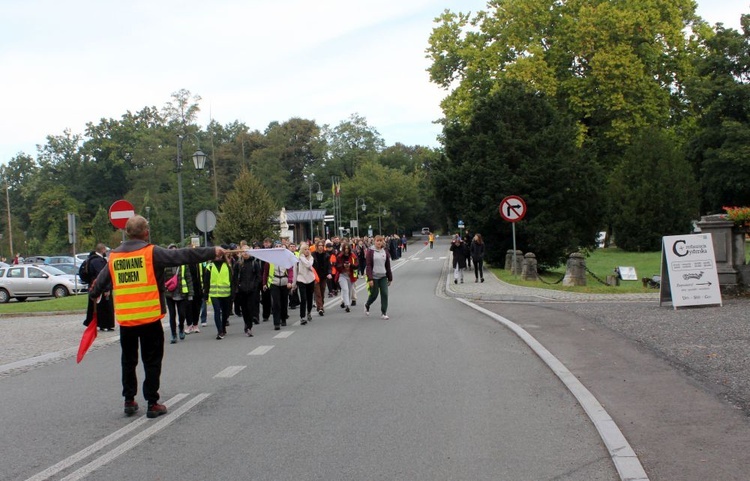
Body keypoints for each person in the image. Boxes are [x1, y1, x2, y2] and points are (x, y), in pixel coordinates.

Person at [88, 215, 225, 418]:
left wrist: (94, 296)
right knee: (151, 361)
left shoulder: (114, 257)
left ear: (127, 233)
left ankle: (129, 400)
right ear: (146, 232)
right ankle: (152, 403)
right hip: (150, 318)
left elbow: (98, 286)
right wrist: (213, 251)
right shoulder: (151, 253)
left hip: (127, 320)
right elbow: (183, 255)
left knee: (128, 360)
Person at [163, 244, 193, 344]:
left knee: (181, 314)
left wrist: (190, 293)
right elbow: (162, 279)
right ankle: (173, 334)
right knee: (172, 315)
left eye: (175, 251)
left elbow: (188, 278)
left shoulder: (183, 264)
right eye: (171, 251)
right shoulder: (165, 264)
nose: (173, 253)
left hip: (181, 293)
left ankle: (181, 328)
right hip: (169, 294)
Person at [83, 243, 114, 331]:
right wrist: (107, 288)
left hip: (95, 286)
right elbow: (103, 276)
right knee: (104, 306)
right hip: (100, 287)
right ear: (103, 250)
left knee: (97, 306)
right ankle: (104, 324)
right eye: (105, 250)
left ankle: (99, 323)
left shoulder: (92, 259)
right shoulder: (97, 261)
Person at [204, 251, 234, 340]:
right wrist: (205, 295)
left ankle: (223, 327)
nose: (218, 257)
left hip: (226, 293)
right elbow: (206, 282)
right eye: (216, 255)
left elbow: (231, 280)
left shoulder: (227, 266)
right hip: (214, 294)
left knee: (225, 312)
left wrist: (232, 293)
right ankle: (219, 331)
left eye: (219, 255)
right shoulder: (209, 266)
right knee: (217, 311)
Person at [234, 247, 262, 336]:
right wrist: (238, 286)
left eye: (247, 251)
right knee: (244, 309)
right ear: (241, 253)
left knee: (250, 308)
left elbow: (258, 276)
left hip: (252, 290)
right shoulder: (238, 264)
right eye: (243, 252)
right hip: (242, 290)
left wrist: (254, 285)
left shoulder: (255, 263)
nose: (245, 253)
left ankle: (249, 327)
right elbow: (234, 277)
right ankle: (246, 323)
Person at [364, 235, 393, 319]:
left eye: (380, 241)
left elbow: (388, 266)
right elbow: (368, 265)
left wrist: (390, 278)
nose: (379, 242)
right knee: (374, 294)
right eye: (377, 241)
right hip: (374, 276)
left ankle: (384, 312)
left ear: (382, 242)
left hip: (383, 276)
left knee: (384, 293)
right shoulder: (370, 251)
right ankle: (367, 304)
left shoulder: (385, 252)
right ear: (374, 242)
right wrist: (370, 278)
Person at [263, 255, 294, 331]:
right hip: (274, 283)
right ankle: (276, 323)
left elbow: (290, 271)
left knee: (284, 302)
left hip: (284, 283)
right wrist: (264, 284)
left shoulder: (286, 260)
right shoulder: (269, 261)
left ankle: (283, 318)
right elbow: (265, 273)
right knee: (276, 303)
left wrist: (290, 281)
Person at [295, 242, 316, 325]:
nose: (307, 251)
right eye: (305, 249)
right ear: (302, 251)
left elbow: (309, 265)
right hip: (301, 279)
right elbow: (295, 270)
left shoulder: (311, 258)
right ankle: (302, 316)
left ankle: (309, 312)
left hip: (310, 279)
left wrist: (304, 259)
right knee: (303, 298)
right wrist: (294, 283)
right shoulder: (298, 259)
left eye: (308, 249)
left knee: (309, 297)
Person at [336, 243, 358, 313]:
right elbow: (337, 266)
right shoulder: (339, 256)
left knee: (349, 291)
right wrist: (343, 265)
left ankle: (347, 303)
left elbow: (357, 265)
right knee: (345, 289)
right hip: (342, 275)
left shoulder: (353, 256)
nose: (346, 250)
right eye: (345, 248)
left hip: (351, 275)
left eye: (347, 248)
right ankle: (347, 305)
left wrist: (350, 265)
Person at [312, 239, 332, 316]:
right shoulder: (313, 254)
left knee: (322, 291)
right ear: (316, 246)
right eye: (319, 246)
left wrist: (329, 273)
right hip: (315, 276)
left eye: (322, 246)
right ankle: (320, 307)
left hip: (323, 276)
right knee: (318, 292)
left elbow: (329, 266)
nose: (320, 247)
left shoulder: (326, 255)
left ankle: (320, 305)